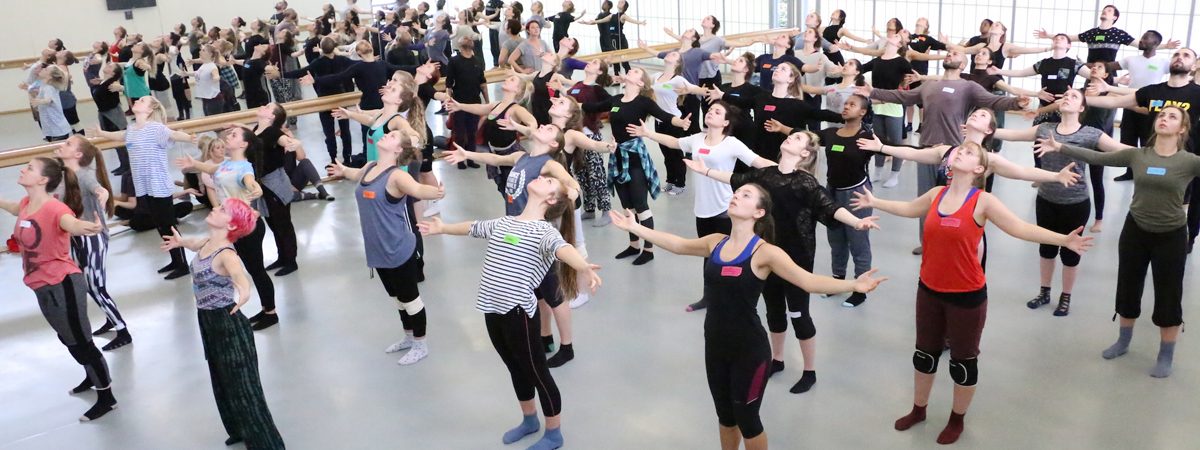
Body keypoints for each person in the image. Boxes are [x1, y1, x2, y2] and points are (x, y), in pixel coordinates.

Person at [610, 183, 885, 450]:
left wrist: (853, 285)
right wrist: (635, 227)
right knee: (726, 417)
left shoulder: (765, 253)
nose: (735, 196)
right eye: (737, 193)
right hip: (715, 346)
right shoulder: (715, 242)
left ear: (759, 212)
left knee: (748, 421)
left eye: (745, 195)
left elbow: (808, 281)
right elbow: (679, 245)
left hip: (749, 351)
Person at [852, 140, 1092, 445]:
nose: (959, 152)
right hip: (928, 290)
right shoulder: (936, 194)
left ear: (979, 168)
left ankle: (956, 419)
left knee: (963, 363)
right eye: (959, 150)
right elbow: (909, 209)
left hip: (966, 296)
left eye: (968, 152)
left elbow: (1019, 228)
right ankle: (919, 409)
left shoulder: (983, 201)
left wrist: (1063, 240)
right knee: (924, 355)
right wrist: (876, 202)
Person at [685, 127, 881, 394]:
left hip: (797, 258)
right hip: (765, 255)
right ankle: (777, 360)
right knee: (774, 312)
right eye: (793, 135)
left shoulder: (806, 182)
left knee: (799, 314)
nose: (791, 137)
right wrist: (704, 170)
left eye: (798, 138)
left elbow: (831, 209)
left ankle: (809, 370)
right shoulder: (765, 174)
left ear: (804, 153)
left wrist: (858, 221)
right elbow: (736, 178)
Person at [419, 176, 598, 450]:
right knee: (515, 368)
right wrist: (443, 228)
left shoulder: (545, 232)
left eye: (549, 181)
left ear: (551, 199)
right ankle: (529, 420)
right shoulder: (505, 222)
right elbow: (474, 227)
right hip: (491, 308)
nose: (541, 177)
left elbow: (564, 250)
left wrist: (582, 266)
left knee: (537, 372)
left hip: (519, 315)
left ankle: (554, 433)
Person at [1036, 105, 1200, 379]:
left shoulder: (1189, 161)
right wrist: (1061, 148)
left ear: (1182, 129)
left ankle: (1166, 353)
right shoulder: (1138, 155)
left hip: (1171, 235)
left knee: (1168, 295)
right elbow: (1097, 157)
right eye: (1161, 115)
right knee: (1128, 285)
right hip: (1135, 230)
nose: (1164, 119)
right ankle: (1124, 341)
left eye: (1172, 117)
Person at [859, 48, 1032, 254]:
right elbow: (901, 96)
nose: (950, 55)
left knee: (952, 199)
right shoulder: (929, 85)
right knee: (925, 198)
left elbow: (992, 100)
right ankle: (927, 242)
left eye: (956, 55)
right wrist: (873, 92)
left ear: (962, 65)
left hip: (953, 153)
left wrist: (1016, 103)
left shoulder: (968, 87)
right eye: (949, 53)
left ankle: (951, 239)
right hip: (927, 150)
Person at [161, 199, 285, 449]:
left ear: (230, 224)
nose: (215, 208)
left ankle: (268, 444)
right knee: (221, 378)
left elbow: (239, 275)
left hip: (228, 323)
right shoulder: (207, 243)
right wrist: (180, 242)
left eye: (222, 209)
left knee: (244, 387)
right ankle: (239, 428)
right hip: (207, 321)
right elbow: (195, 244)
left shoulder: (226, 254)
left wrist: (244, 290)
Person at [993, 88, 1129, 315]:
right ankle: (1044, 292)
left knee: (1070, 253)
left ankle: (1065, 296)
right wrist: (986, 130)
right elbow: (1013, 135)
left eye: (1074, 97)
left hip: (1076, 203)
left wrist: (1156, 154)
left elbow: (1123, 151)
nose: (1067, 97)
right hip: (1046, 199)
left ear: (1082, 108)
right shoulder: (1045, 129)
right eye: (1065, 95)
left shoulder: (1090, 134)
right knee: (1046, 249)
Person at [628, 101, 774, 311]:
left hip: (726, 209)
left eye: (717, 112)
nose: (710, 113)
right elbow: (674, 143)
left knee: (730, 255)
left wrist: (790, 170)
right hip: (702, 209)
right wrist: (648, 133)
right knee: (709, 256)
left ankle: (733, 298)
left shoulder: (731, 143)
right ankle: (709, 297)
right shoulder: (697, 139)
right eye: (710, 110)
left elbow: (757, 161)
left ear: (725, 122)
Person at [0, 157, 114, 422]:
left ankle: (107, 398)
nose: (22, 169)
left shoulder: (54, 207)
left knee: (81, 342)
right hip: (40, 284)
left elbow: (70, 223)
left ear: (42, 180)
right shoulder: (28, 203)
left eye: (29, 168)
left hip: (63, 284)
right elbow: (11, 207)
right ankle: (91, 376)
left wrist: (88, 228)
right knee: (68, 339)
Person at [327, 130, 445, 364]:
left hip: (399, 247)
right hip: (377, 248)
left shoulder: (397, 177)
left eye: (391, 136)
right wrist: (343, 171)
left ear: (398, 149)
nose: (386, 135)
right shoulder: (371, 166)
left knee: (410, 299)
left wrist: (437, 192)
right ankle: (409, 337)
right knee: (397, 298)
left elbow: (419, 190)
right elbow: (356, 175)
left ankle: (420, 344)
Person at [1084, 48, 1200, 251]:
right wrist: (1081, 100)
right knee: (1150, 198)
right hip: (1154, 158)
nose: (1179, 58)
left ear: (1194, 66)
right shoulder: (1153, 91)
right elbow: (1115, 101)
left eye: (1186, 56)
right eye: (1176, 55)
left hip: (1187, 163)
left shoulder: (1197, 94)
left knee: (1185, 205)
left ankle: (1185, 239)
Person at [581, 68, 691, 265]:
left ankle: (648, 249)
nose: (631, 71)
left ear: (641, 83)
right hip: (617, 156)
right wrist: (565, 98)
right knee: (627, 205)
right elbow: (590, 106)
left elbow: (664, 116)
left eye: (636, 71)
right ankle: (633, 245)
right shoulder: (615, 100)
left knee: (641, 206)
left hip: (635, 159)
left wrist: (680, 122)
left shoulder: (644, 102)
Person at [176, 127, 280, 334]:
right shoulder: (226, 164)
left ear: (243, 145)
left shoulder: (244, 168)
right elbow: (214, 170)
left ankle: (271, 313)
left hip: (245, 227)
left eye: (233, 135)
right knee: (253, 269)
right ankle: (265, 309)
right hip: (231, 226)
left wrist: (256, 188)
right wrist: (194, 164)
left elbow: (250, 181)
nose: (228, 137)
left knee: (256, 270)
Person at [87, 96, 196, 279]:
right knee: (160, 224)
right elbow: (120, 136)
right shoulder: (131, 129)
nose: (137, 101)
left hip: (158, 183)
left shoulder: (155, 128)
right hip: (143, 184)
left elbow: (172, 134)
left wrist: (188, 137)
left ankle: (182, 263)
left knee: (168, 224)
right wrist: (101, 132)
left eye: (142, 100)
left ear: (150, 109)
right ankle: (175, 260)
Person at [55, 136, 132, 350]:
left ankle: (122, 330)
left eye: (68, 144)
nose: (62, 145)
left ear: (78, 155)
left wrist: (103, 193)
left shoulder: (84, 175)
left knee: (95, 287)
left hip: (92, 238)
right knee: (90, 286)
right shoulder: (65, 175)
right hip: (77, 237)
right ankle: (111, 318)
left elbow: (99, 188)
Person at [271, 36, 358, 163]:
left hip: (324, 100)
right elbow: (357, 65)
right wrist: (371, 60)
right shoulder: (342, 60)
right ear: (334, 47)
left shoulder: (318, 62)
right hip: (341, 98)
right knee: (345, 131)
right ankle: (347, 159)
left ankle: (334, 160)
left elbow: (301, 72)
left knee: (329, 133)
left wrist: (280, 74)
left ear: (321, 48)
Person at [1109, 30, 1171, 183]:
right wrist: (1088, 65)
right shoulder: (1131, 60)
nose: (1141, 41)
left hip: (1151, 108)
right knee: (1128, 139)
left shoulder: (1163, 62)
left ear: (1155, 43)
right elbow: (1109, 66)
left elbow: (1182, 74)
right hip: (1131, 104)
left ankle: (1145, 172)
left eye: (1145, 38)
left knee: (1147, 141)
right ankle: (1130, 171)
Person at [564, 59, 615, 226]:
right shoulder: (577, 84)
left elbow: (610, 104)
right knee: (581, 173)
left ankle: (606, 210)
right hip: (573, 135)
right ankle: (590, 208)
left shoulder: (597, 89)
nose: (589, 63)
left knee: (596, 174)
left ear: (599, 72)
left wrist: (586, 107)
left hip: (589, 135)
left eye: (594, 63)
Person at [443, 37, 489, 169]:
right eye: (465, 38)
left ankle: (471, 157)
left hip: (475, 102)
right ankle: (460, 159)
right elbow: (449, 82)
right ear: (459, 44)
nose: (468, 40)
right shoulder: (454, 61)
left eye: (470, 39)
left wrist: (487, 102)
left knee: (472, 131)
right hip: (459, 102)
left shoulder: (478, 61)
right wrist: (448, 99)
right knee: (460, 132)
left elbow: (483, 82)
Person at [29, 65, 72, 142]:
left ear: (49, 77)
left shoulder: (49, 88)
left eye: (45, 70)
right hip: (52, 127)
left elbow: (49, 100)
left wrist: (39, 101)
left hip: (57, 129)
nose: (42, 69)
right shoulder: (44, 85)